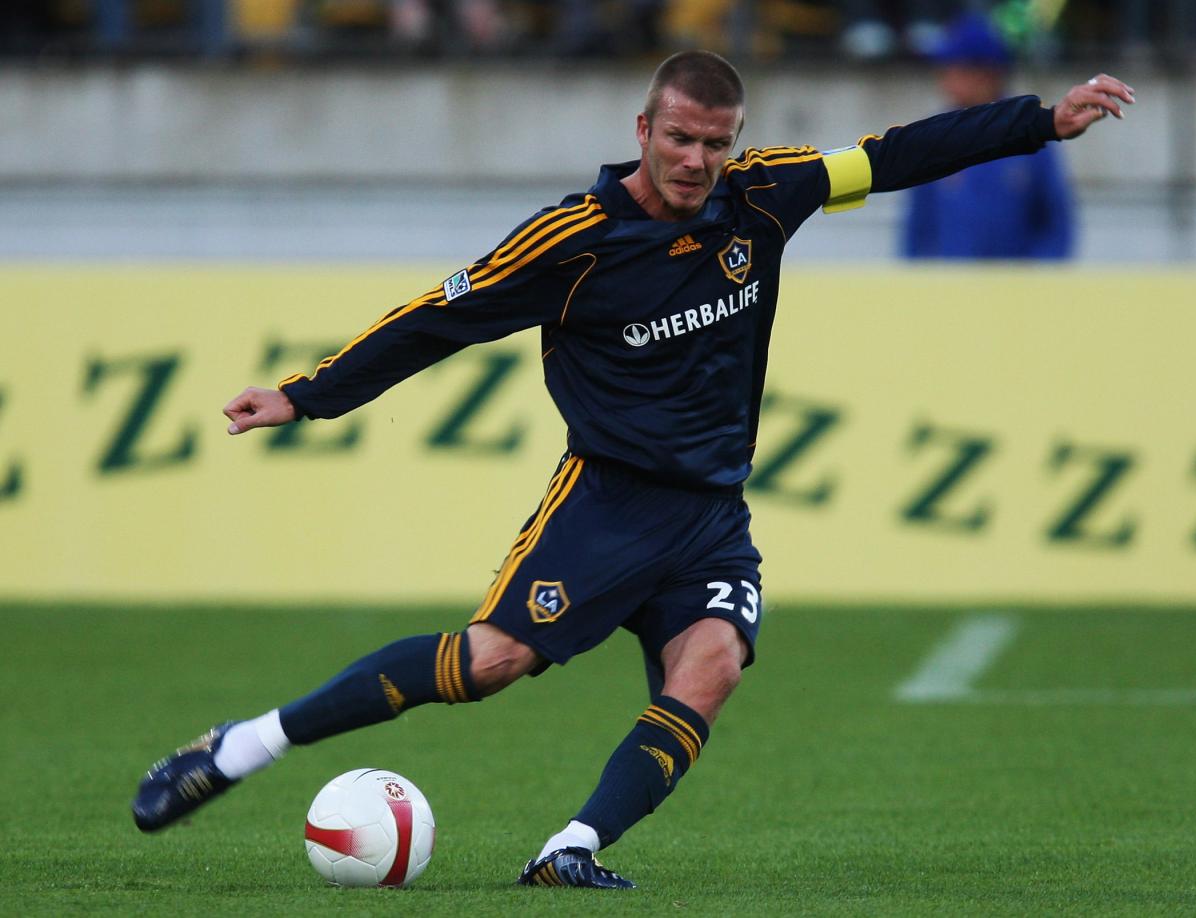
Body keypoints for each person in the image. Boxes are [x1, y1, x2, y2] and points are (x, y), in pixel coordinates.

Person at [131, 50, 1133, 888]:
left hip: (708, 515)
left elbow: (892, 155)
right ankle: (239, 747)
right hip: (604, 503)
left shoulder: (764, 196)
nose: (699, 160)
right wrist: (307, 395)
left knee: (712, 667)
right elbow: (436, 321)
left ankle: (570, 850)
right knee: (491, 663)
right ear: (644, 125)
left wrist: (1038, 121)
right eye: (681, 137)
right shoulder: (570, 241)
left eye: (716, 141)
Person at [902, 12, 1077, 260]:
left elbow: (1055, 227)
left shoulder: (1032, 135)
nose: (945, 81)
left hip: (1016, 293)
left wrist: (1036, 285)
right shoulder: (931, 136)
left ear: (986, 74)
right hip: (950, 292)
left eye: (953, 70)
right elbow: (917, 232)